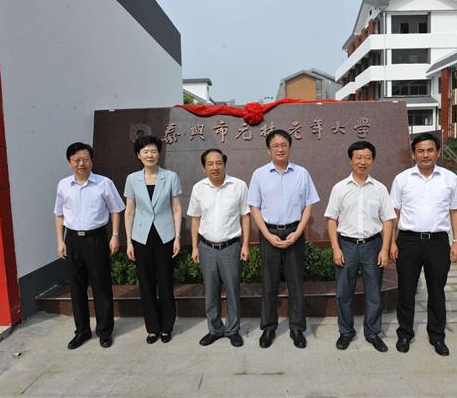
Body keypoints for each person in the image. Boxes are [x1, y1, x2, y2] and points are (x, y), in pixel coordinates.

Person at [390, 133, 457, 356]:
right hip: (408, 241)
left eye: (430, 150)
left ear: (438, 152)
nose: (425, 155)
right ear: (413, 154)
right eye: (421, 151)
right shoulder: (402, 179)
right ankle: (405, 333)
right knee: (406, 290)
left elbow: (455, 211)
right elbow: (394, 213)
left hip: (438, 242)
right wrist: (392, 242)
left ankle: (437, 335)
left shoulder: (449, 179)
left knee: (437, 290)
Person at [248, 129, 320, 349]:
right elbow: (254, 207)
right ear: (268, 150)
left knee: (296, 283)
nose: (280, 149)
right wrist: (267, 235)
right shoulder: (259, 174)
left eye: (284, 145)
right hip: (269, 233)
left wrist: (298, 232)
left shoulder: (301, 173)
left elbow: (308, 205)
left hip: (294, 232)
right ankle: (268, 328)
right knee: (269, 283)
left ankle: (297, 328)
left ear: (289, 147)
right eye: (275, 145)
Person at [324, 141, 396, 352]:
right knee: (343, 293)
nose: (363, 162)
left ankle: (373, 333)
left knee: (374, 293)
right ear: (351, 160)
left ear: (372, 161)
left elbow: (388, 220)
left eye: (367, 157)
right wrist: (336, 248)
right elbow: (331, 220)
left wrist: (384, 249)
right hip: (346, 245)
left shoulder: (380, 189)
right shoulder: (339, 188)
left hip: (373, 245)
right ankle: (346, 332)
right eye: (359, 157)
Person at [54, 142, 125, 349]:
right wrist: (60, 240)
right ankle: (82, 331)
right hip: (72, 240)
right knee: (76, 288)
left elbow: (116, 210)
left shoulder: (104, 183)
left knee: (101, 286)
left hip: (96, 239)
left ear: (91, 161)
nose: (81, 163)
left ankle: (104, 331)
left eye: (85, 159)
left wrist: (115, 235)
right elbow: (58, 214)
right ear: (69, 162)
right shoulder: (63, 185)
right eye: (76, 160)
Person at [187, 149, 250, 348]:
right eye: (210, 163)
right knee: (211, 292)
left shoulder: (238, 186)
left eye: (218, 163)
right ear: (204, 167)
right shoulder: (199, 188)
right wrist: (195, 247)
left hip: (231, 247)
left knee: (233, 290)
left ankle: (232, 330)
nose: (215, 167)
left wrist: (245, 244)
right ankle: (214, 329)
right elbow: (195, 219)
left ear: (224, 164)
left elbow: (245, 216)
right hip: (206, 248)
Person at [124, 135, 182, 344]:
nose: (150, 155)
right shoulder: (132, 179)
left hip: (165, 236)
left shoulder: (171, 177)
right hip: (141, 237)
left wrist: (177, 237)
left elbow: (176, 208)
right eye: (145, 151)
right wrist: (128, 241)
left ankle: (166, 327)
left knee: (165, 282)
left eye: (154, 151)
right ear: (138, 155)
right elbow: (129, 211)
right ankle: (152, 328)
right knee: (146, 284)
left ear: (159, 154)